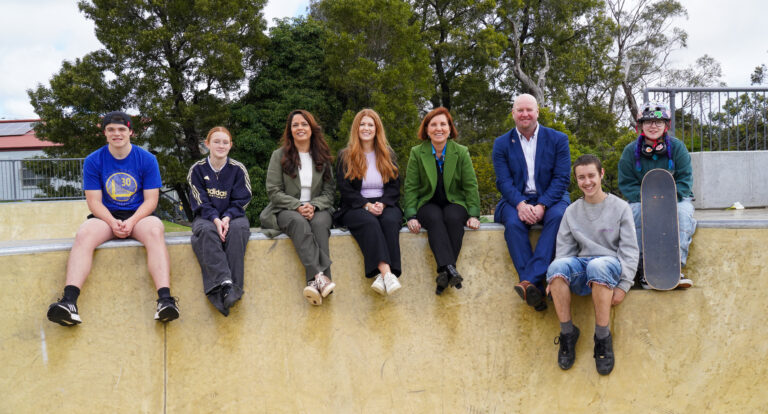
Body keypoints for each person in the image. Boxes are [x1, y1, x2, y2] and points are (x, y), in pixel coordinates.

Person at [46, 111, 179, 326]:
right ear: (105, 133)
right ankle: (69, 303)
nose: (117, 134)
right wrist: (111, 222)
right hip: (106, 216)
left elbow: (151, 200)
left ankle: (165, 300)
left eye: (121, 129)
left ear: (131, 132)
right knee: (84, 233)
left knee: (156, 229)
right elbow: (94, 202)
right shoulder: (93, 160)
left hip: (139, 216)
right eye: (111, 130)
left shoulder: (147, 159)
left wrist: (132, 221)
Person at [546, 155, 639, 375]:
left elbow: (629, 250)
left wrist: (623, 285)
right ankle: (568, 334)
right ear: (576, 180)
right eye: (581, 177)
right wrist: (555, 279)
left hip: (609, 265)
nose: (587, 182)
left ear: (601, 174)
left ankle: (602, 337)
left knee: (598, 266)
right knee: (555, 268)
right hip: (583, 266)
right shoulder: (572, 211)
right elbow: (565, 251)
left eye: (591, 176)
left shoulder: (620, 207)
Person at [492, 94, 571, 311]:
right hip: (515, 199)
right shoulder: (501, 144)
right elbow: (503, 181)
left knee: (558, 217)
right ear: (513, 114)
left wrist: (542, 205)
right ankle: (536, 287)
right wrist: (520, 204)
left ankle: (528, 282)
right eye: (520, 110)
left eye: (529, 110)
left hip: (551, 198)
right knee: (514, 223)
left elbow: (562, 178)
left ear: (537, 112)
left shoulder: (558, 139)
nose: (524, 114)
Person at [259, 110, 336, 305]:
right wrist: (298, 206)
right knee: (299, 223)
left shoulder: (323, 157)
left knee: (319, 225)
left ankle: (314, 283)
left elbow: (329, 193)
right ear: (290, 130)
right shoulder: (279, 156)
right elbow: (273, 191)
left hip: (318, 209)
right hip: (287, 210)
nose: (300, 128)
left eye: (304, 124)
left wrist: (314, 206)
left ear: (312, 128)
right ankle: (321, 277)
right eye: (295, 125)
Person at [618, 102, 695, 289]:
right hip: (641, 200)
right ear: (641, 125)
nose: (653, 126)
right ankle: (645, 269)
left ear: (666, 125)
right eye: (648, 122)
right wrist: (647, 200)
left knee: (683, 215)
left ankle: (675, 268)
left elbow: (685, 179)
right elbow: (626, 183)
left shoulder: (678, 148)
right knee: (634, 214)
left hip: (675, 198)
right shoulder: (629, 152)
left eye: (658, 122)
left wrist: (668, 200)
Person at [403, 107, 481, 295]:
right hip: (427, 203)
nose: (439, 128)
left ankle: (444, 274)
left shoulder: (461, 152)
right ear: (427, 129)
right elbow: (411, 187)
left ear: (449, 128)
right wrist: (411, 215)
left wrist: (473, 214)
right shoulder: (417, 152)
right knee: (435, 217)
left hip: (455, 202)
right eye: (434, 124)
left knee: (453, 218)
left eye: (443, 124)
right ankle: (450, 269)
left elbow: (470, 185)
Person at [334, 109, 403, 296]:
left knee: (390, 221)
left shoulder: (387, 154)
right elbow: (344, 188)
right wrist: (366, 205)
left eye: (370, 125)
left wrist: (384, 203)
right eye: (362, 124)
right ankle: (388, 272)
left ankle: (382, 278)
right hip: (355, 205)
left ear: (377, 129)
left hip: (384, 203)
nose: (366, 128)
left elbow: (395, 186)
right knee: (369, 222)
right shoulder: (345, 155)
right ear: (356, 128)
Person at [188, 126, 252, 316]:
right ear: (207, 144)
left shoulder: (238, 169)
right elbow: (200, 201)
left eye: (225, 142)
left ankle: (234, 288)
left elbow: (244, 198)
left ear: (231, 145)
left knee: (238, 231)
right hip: (206, 217)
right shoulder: (197, 170)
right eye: (216, 141)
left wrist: (227, 217)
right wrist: (216, 219)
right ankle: (223, 284)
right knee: (207, 232)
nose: (221, 145)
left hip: (234, 216)